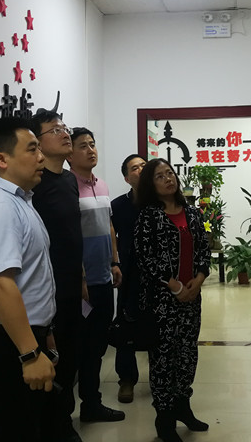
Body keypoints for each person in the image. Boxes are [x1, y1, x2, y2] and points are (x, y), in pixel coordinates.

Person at [0, 116, 57, 441]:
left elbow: (32, 278)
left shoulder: (20, 201)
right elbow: (1, 284)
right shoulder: (0, 207)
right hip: (3, 346)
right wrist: (29, 354)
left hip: (21, 336)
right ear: (2, 159)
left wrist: (44, 334)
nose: (41, 157)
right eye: (32, 149)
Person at [134, 159, 211, 442]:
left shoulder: (192, 212)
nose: (168, 179)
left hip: (192, 297)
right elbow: (145, 257)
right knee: (164, 358)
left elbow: (204, 249)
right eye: (159, 176)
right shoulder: (148, 216)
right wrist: (175, 286)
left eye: (170, 173)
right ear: (150, 184)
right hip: (162, 300)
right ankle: (164, 418)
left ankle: (183, 406)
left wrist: (198, 279)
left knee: (188, 354)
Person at [29, 111, 84, 442]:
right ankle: (54, 430)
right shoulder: (35, 186)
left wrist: (81, 277)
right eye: (55, 130)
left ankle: (64, 424)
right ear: (37, 142)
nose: (65, 134)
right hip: (46, 295)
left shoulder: (68, 179)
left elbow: (71, 235)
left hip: (72, 288)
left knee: (70, 361)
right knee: (51, 365)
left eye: (65, 128)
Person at [68, 127, 126, 423]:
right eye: (83, 146)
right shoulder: (67, 186)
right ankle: (67, 413)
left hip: (103, 277)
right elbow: (67, 236)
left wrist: (115, 262)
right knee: (79, 348)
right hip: (82, 284)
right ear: (69, 154)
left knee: (98, 346)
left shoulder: (101, 184)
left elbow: (109, 226)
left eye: (92, 144)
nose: (90, 150)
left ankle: (92, 404)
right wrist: (79, 278)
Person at [110, 153, 147, 403]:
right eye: (135, 168)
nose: (141, 170)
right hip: (129, 274)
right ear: (126, 178)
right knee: (125, 326)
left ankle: (160, 378)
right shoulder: (118, 205)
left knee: (158, 326)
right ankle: (126, 379)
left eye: (144, 165)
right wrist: (115, 262)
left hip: (159, 277)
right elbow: (110, 234)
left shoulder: (162, 203)